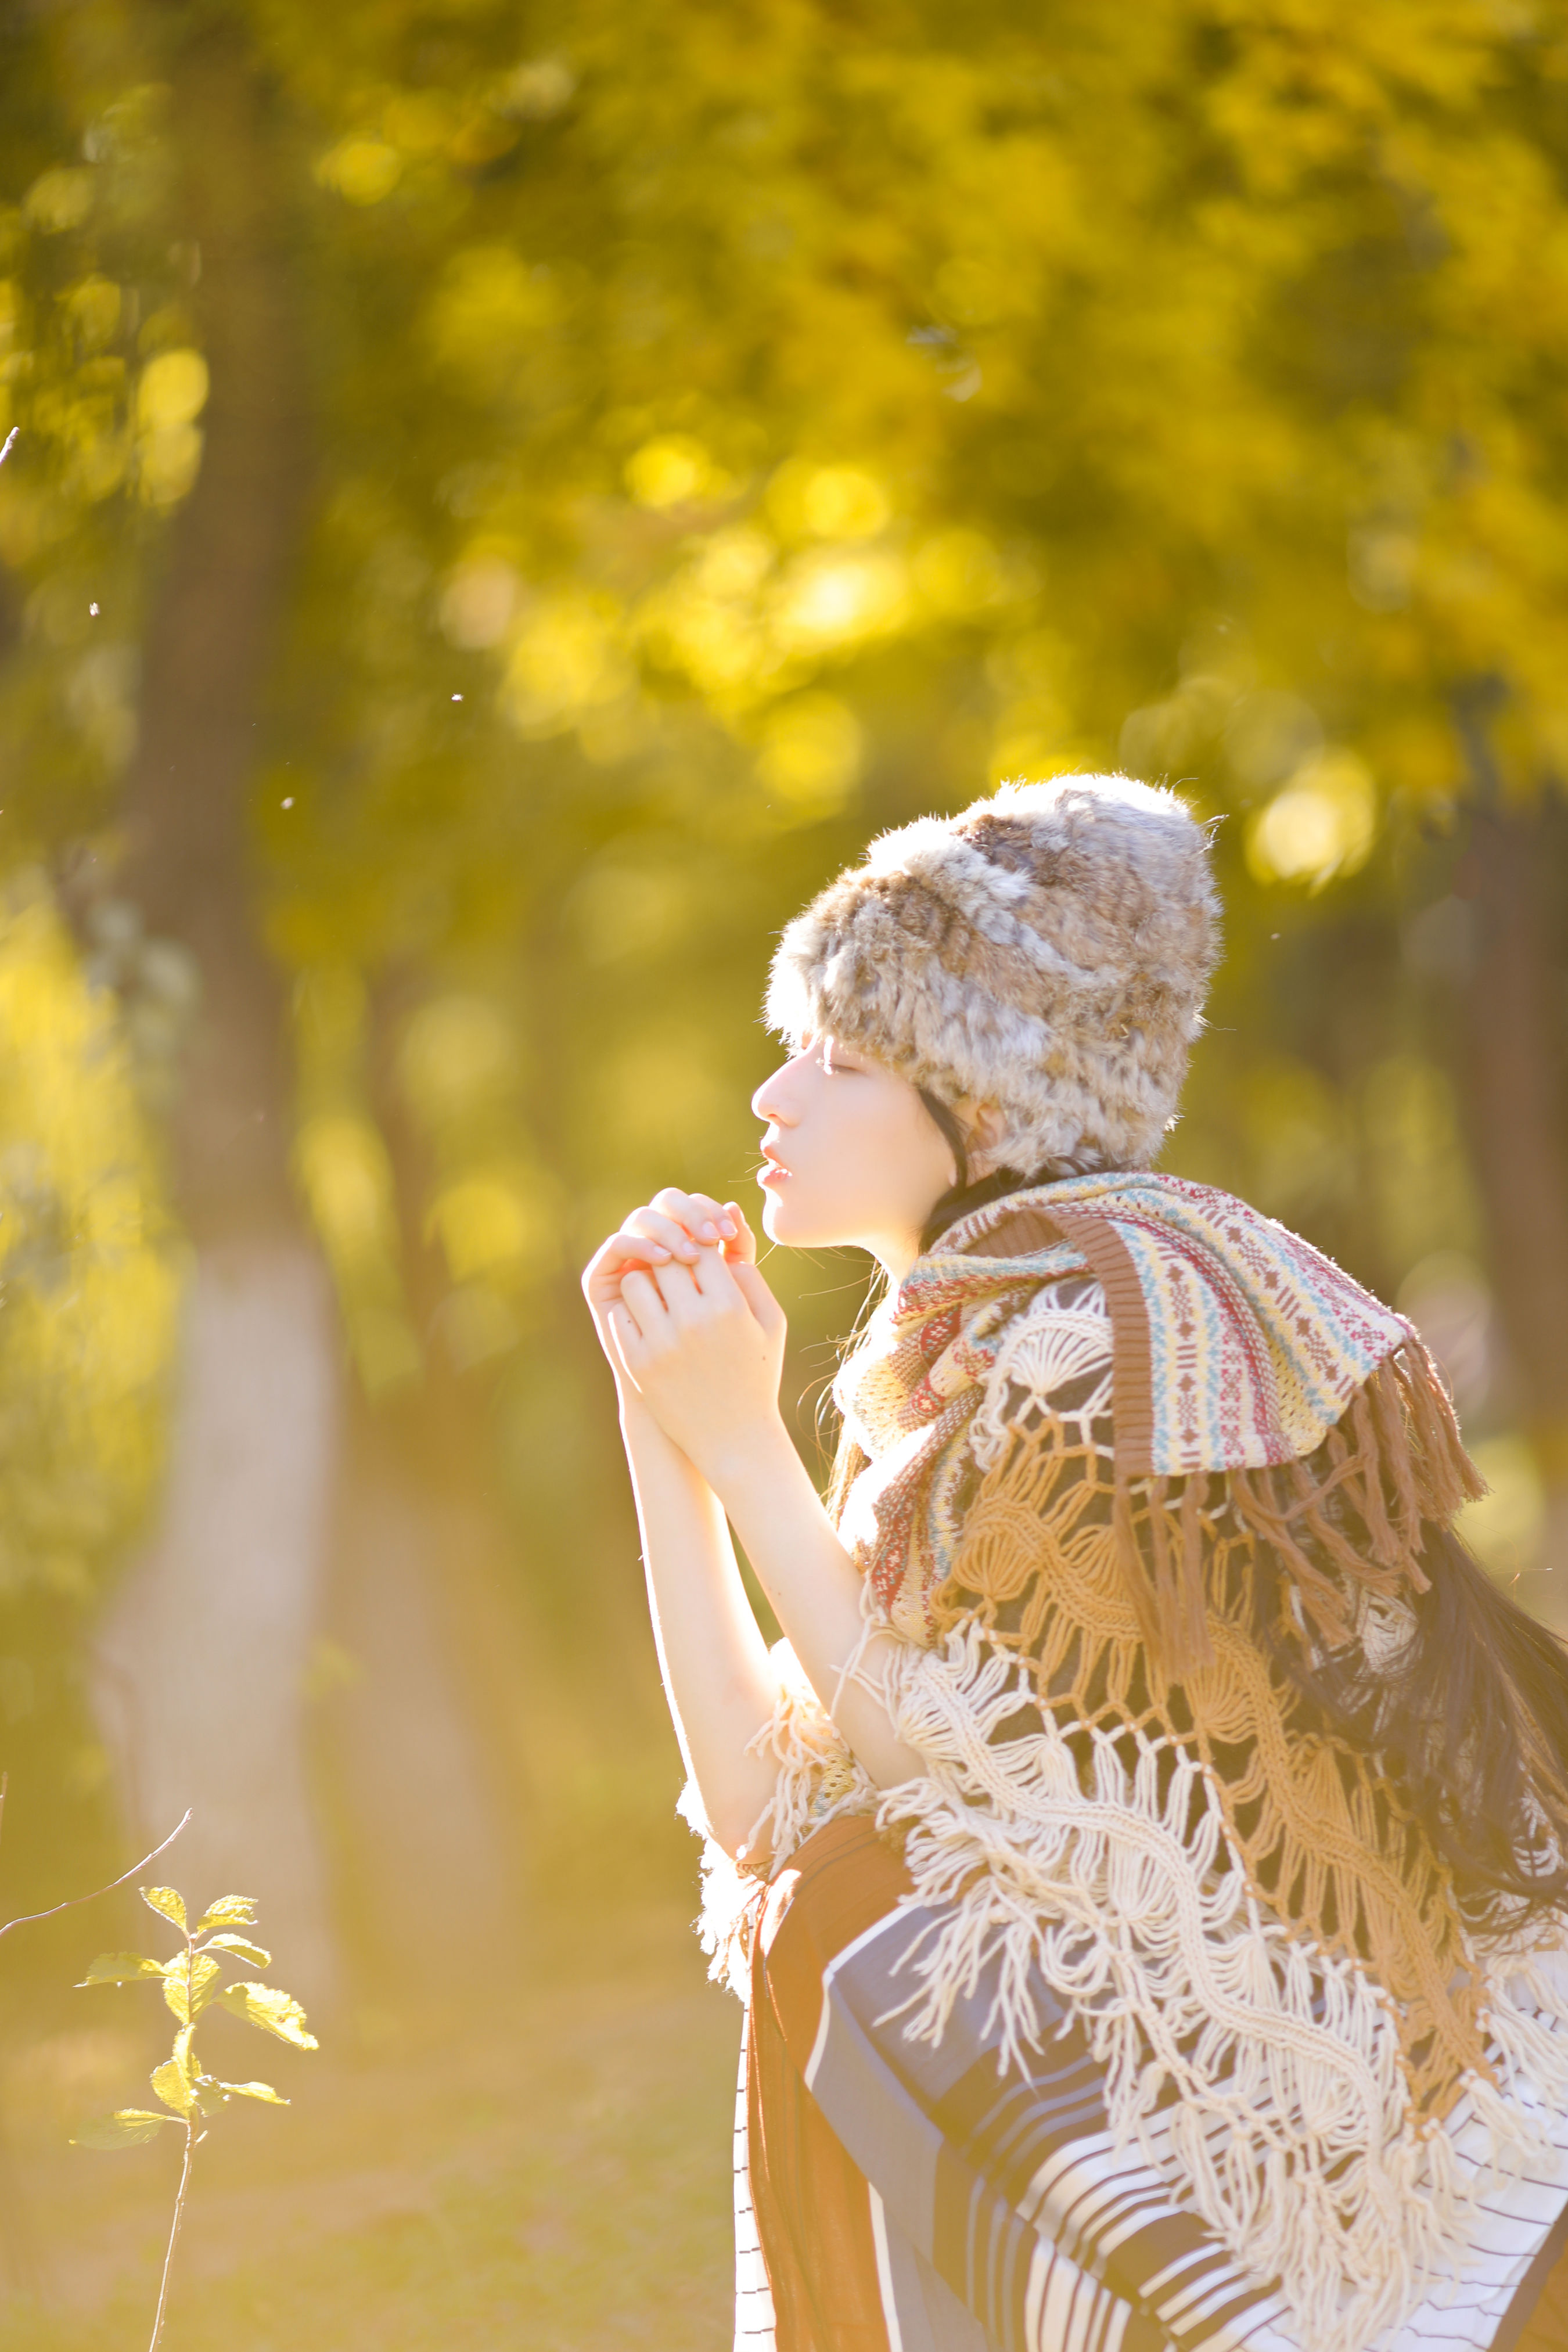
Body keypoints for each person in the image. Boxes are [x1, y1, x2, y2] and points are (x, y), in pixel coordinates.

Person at [582, 774, 1568, 2352]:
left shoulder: (1097, 1328)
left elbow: (947, 1801)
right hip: (1176, 2033)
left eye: (836, 1063)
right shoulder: (947, 1353)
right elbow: (765, 1811)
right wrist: (667, 1426)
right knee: (824, 1901)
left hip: (1350, 2087)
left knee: (861, 1917)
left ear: (983, 1104)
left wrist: (749, 1450)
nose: (775, 1098)